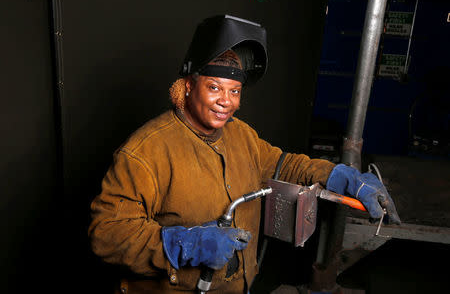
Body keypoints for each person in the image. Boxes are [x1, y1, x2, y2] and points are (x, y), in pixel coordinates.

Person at [88, 15, 400, 294]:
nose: (226, 101)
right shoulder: (145, 151)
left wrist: (335, 174)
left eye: (234, 91)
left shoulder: (240, 135)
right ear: (187, 86)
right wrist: (181, 243)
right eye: (214, 87)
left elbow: (283, 164)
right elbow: (107, 234)